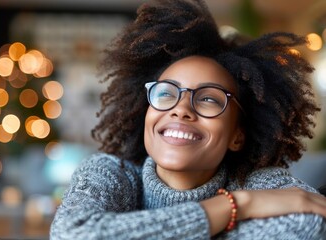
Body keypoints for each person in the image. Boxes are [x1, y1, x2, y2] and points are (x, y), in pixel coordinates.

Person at [50, 0, 326, 239]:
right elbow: (73, 234)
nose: (181, 109)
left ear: (237, 135)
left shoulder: (262, 183)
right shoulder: (108, 173)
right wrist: (235, 207)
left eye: (208, 98)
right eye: (167, 93)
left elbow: (309, 224)